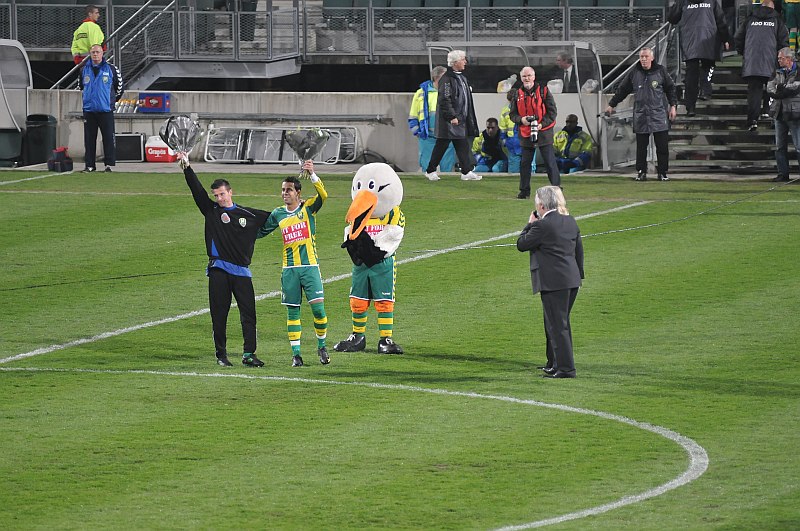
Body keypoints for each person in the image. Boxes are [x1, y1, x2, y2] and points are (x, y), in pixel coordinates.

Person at [180, 156, 271, 368]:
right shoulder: (211, 211)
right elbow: (197, 191)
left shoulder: (248, 214)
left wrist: (299, 207)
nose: (219, 198)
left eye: (222, 194)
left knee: (249, 315)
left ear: (230, 192)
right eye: (216, 195)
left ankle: (249, 354)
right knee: (219, 315)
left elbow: (275, 218)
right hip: (219, 271)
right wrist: (187, 167)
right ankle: (221, 355)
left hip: (242, 272)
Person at [257, 161, 331, 368]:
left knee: (319, 311)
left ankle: (322, 346)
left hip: (310, 268)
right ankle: (296, 354)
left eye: (288, 190)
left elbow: (323, 195)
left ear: (298, 192)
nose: (284, 193)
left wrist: (313, 174)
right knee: (292, 312)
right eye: (283, 190)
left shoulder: (308, 208)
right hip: (289, 270)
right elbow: (261, 232)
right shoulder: (278, 214)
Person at [334, 163, 405, 355]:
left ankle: (385, 338)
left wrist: (366, 248)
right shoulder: (358, 212)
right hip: (361, 265)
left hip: (383, 264)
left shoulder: (392, 212)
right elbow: (350, 234)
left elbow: (391, 237)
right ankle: (358, 336)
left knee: (384, 300)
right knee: (358, 299)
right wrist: (356, 251)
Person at [516, 186, 584, 379]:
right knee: (557, 323)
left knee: (557, 325)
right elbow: (579, 250)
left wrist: (529, 224)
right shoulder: (570, 221)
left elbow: (522, 244)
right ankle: (555, 363)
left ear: (541, 205)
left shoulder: (542, 225)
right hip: (572, 279)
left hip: (554, 282)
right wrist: (579, 276)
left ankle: (566, 369)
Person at [605, 48, 677, 182]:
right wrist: (611, 104)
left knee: (662, 146)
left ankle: (662, 172)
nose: (643, 59)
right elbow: (622, 90)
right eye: (641, 57)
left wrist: (673, 106)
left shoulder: (661, 71)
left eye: (646, 56)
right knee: (641, 147)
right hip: (641, 115)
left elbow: (671, 88)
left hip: (659, 114)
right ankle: (641, 172)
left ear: (652, 58)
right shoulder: (634, 73)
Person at [424, 49, 482, 182]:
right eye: (463, 59)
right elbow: (445, 99)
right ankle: (430, 170)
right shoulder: (448, 79)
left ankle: (466, 171)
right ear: (455, 62)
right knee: (442, 145)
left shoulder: (460, 77)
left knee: (461, 144)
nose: (465, 62)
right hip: (450, 122)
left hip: (459, 120)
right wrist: (451, 116)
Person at [668, 0, 730, 116]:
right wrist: (725, 38)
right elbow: (721, 20)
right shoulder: (712, 2)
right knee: (708, 66)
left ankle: (690, 107)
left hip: (690, 40)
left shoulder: (684, 2)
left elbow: (672, 18)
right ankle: (705, 91)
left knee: (691, 74)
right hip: (709, 38)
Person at [735, 0, 789, 131]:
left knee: (754, 92)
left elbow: (738, 37)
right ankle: (767, 112)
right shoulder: (777, 21)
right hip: (770, 62)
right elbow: (784, 43)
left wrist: (744, 53)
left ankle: (752, 120)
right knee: (771, 89)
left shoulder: (749, 20)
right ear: (773, 8)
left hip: (752, 63)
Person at [509, 66, 560, 199]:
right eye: (524, 76)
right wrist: (522, 120)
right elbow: (512, 115)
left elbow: (552, 112)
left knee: (549, 161)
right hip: (525, 132)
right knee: (525, 163)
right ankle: (524, 191)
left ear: (534, 76)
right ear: (521, 78)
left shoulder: (543, 91)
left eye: (529, 76)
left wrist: (542, 124)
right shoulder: (516, 94)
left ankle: (557, 189)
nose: (527, 78)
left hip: (543, 131)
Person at [78, 44, 122, 173]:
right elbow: (81, 86)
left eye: (97, 52)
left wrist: (111, 102)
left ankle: (109, 164)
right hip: (89, 110)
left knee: (108, 137)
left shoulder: (112, 69)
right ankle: (90, 165)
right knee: (89, 139)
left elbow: (119, 88)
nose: (95, 54)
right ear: (90, 54)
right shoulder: (83, 69)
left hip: (106, 110)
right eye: (92, 52)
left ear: (102, 53)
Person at [408, 66, 456, 179]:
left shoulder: (452, 92)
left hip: (447, 136)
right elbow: (413, 114)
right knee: (427, 167)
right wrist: (417, 131)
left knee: (447, 168)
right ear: (437, 78)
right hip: (427, 137)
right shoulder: (421, 93)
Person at [766, 47, 800, 182]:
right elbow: (770, 88)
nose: (778, 60)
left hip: (795, 114)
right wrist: (783, 90)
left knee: (799, 147)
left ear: (789, 59)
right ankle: (783, 174)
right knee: (779, 147)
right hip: (779, 113)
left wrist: (781, 89)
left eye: (781, 58)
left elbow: (796, 88)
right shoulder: (776, 71)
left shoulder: (798, 71)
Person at [500, 89, 536, 175]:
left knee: (522, 170)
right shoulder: (506, 111)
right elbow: (503, 128)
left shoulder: (528, 108)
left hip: (523, 142)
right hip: (516, 143)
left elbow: (503, 129)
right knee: (519, 171)